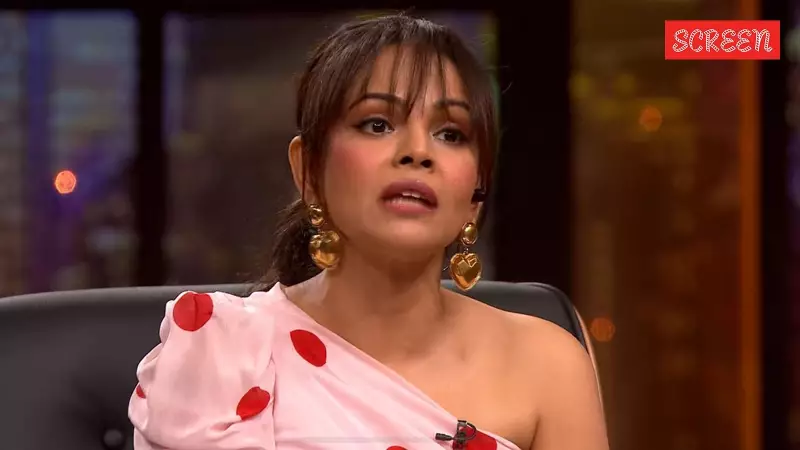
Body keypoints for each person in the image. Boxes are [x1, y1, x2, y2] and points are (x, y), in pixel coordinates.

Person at [129, 14, 609, 450]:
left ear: (476, 190)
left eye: (451, 134)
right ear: (309, 169)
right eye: (377, 124)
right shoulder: (220, 354)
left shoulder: (547, 363)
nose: (418, 152)